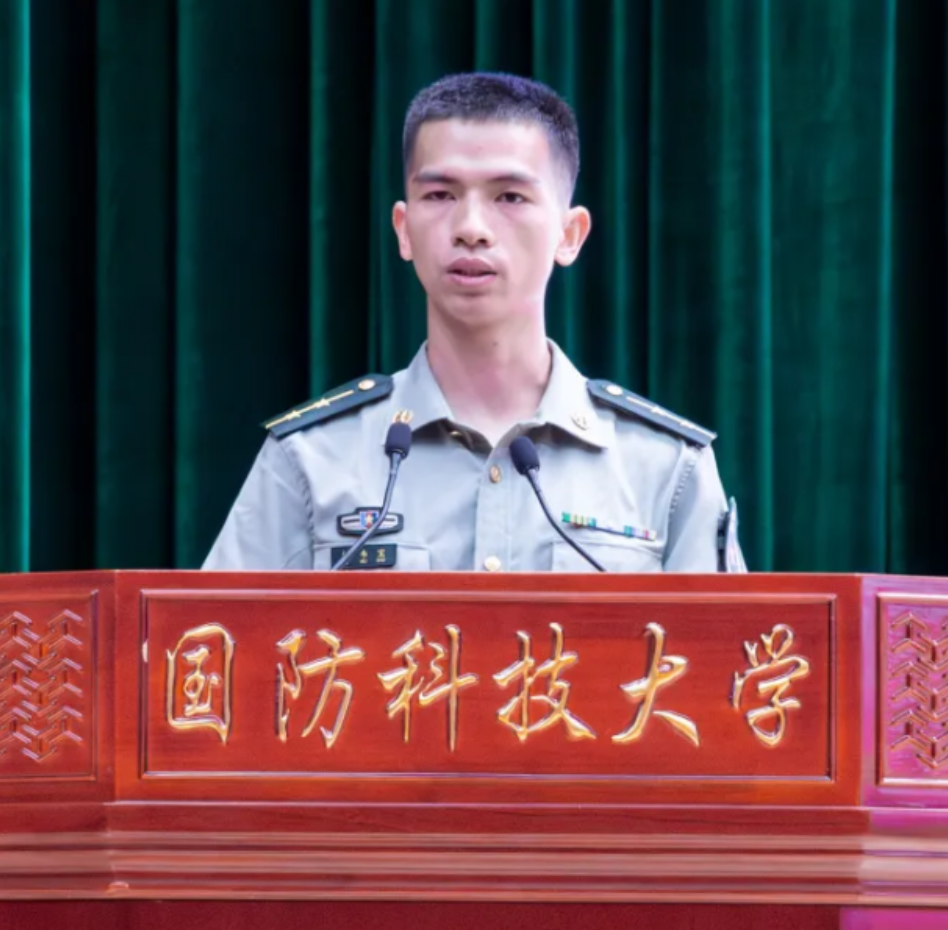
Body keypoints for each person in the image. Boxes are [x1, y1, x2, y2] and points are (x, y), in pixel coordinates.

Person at [202, 71, 744, 574]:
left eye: (510, 196)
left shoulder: (667, 469)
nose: (471, 228)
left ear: (569, 235)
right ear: (404, 229)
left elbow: (724, 648)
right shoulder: (310, 460)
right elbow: (213, 640)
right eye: (440, 195)